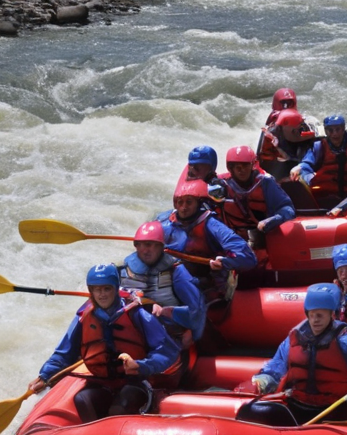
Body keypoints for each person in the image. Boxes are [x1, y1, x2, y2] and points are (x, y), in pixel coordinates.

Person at [27, 264, 180, 422]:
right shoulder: (83, 317)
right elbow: (64, 353)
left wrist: (141, 365)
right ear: (91, 291)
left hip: (136, 381)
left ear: (115, 288)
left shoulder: (138, 314)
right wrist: (44, 376)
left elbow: (167, 352)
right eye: (97, 289)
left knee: (120, 408)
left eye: (107, 289)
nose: (102, 295)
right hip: (103, 382)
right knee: (82, 401)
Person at [236, 283, 347, 426]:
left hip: (334, 409)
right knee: (249, 411)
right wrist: (263, 380)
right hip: (298, 404)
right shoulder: (294, 338)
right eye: (312, 314)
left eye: (320, 315)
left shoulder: (346, 338)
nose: (315, 320)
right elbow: (276, 365)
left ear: (332, 314)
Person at [159, 179, 257, 304]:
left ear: (199, 203)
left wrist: (225, 262)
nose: (183, 208)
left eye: (189, 202)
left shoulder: (213, 225)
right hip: (172, 280)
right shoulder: (163, 220)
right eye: (180, 202)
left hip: (206, 284)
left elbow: (249, 258)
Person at [118, 220, 206, 350]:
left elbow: (196, 308)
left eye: (149, 245)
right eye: (139, 245)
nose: (144, 250)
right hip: (132, 327)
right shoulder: (124, 268)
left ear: (160, 246)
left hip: (166, 330)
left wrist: (192, 331)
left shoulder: (175, 271)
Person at [290, 114, 347, 209]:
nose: (335, 134)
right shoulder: (319, 146)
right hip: (327, 193)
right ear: (326, 131)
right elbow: (307, 163)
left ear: (343, 129)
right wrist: (299, 167)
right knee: (301, 175)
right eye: (330, 130)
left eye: (338, 129)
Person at [217, 145, 296, 245]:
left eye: (246, 166)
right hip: (230, 239)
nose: (242, 170)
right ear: (230, 168)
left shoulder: (266, 182)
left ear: (252, 165)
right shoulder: (220, 184)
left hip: (261, 237)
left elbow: (288, 209)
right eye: (238, 167)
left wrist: (275, 219)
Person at [256, 107, 318, 182]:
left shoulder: (306, 130)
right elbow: (266, 164)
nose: (299, 130)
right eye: (296, 129)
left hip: (300, 164)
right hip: (279, 169)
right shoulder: (271, 138)